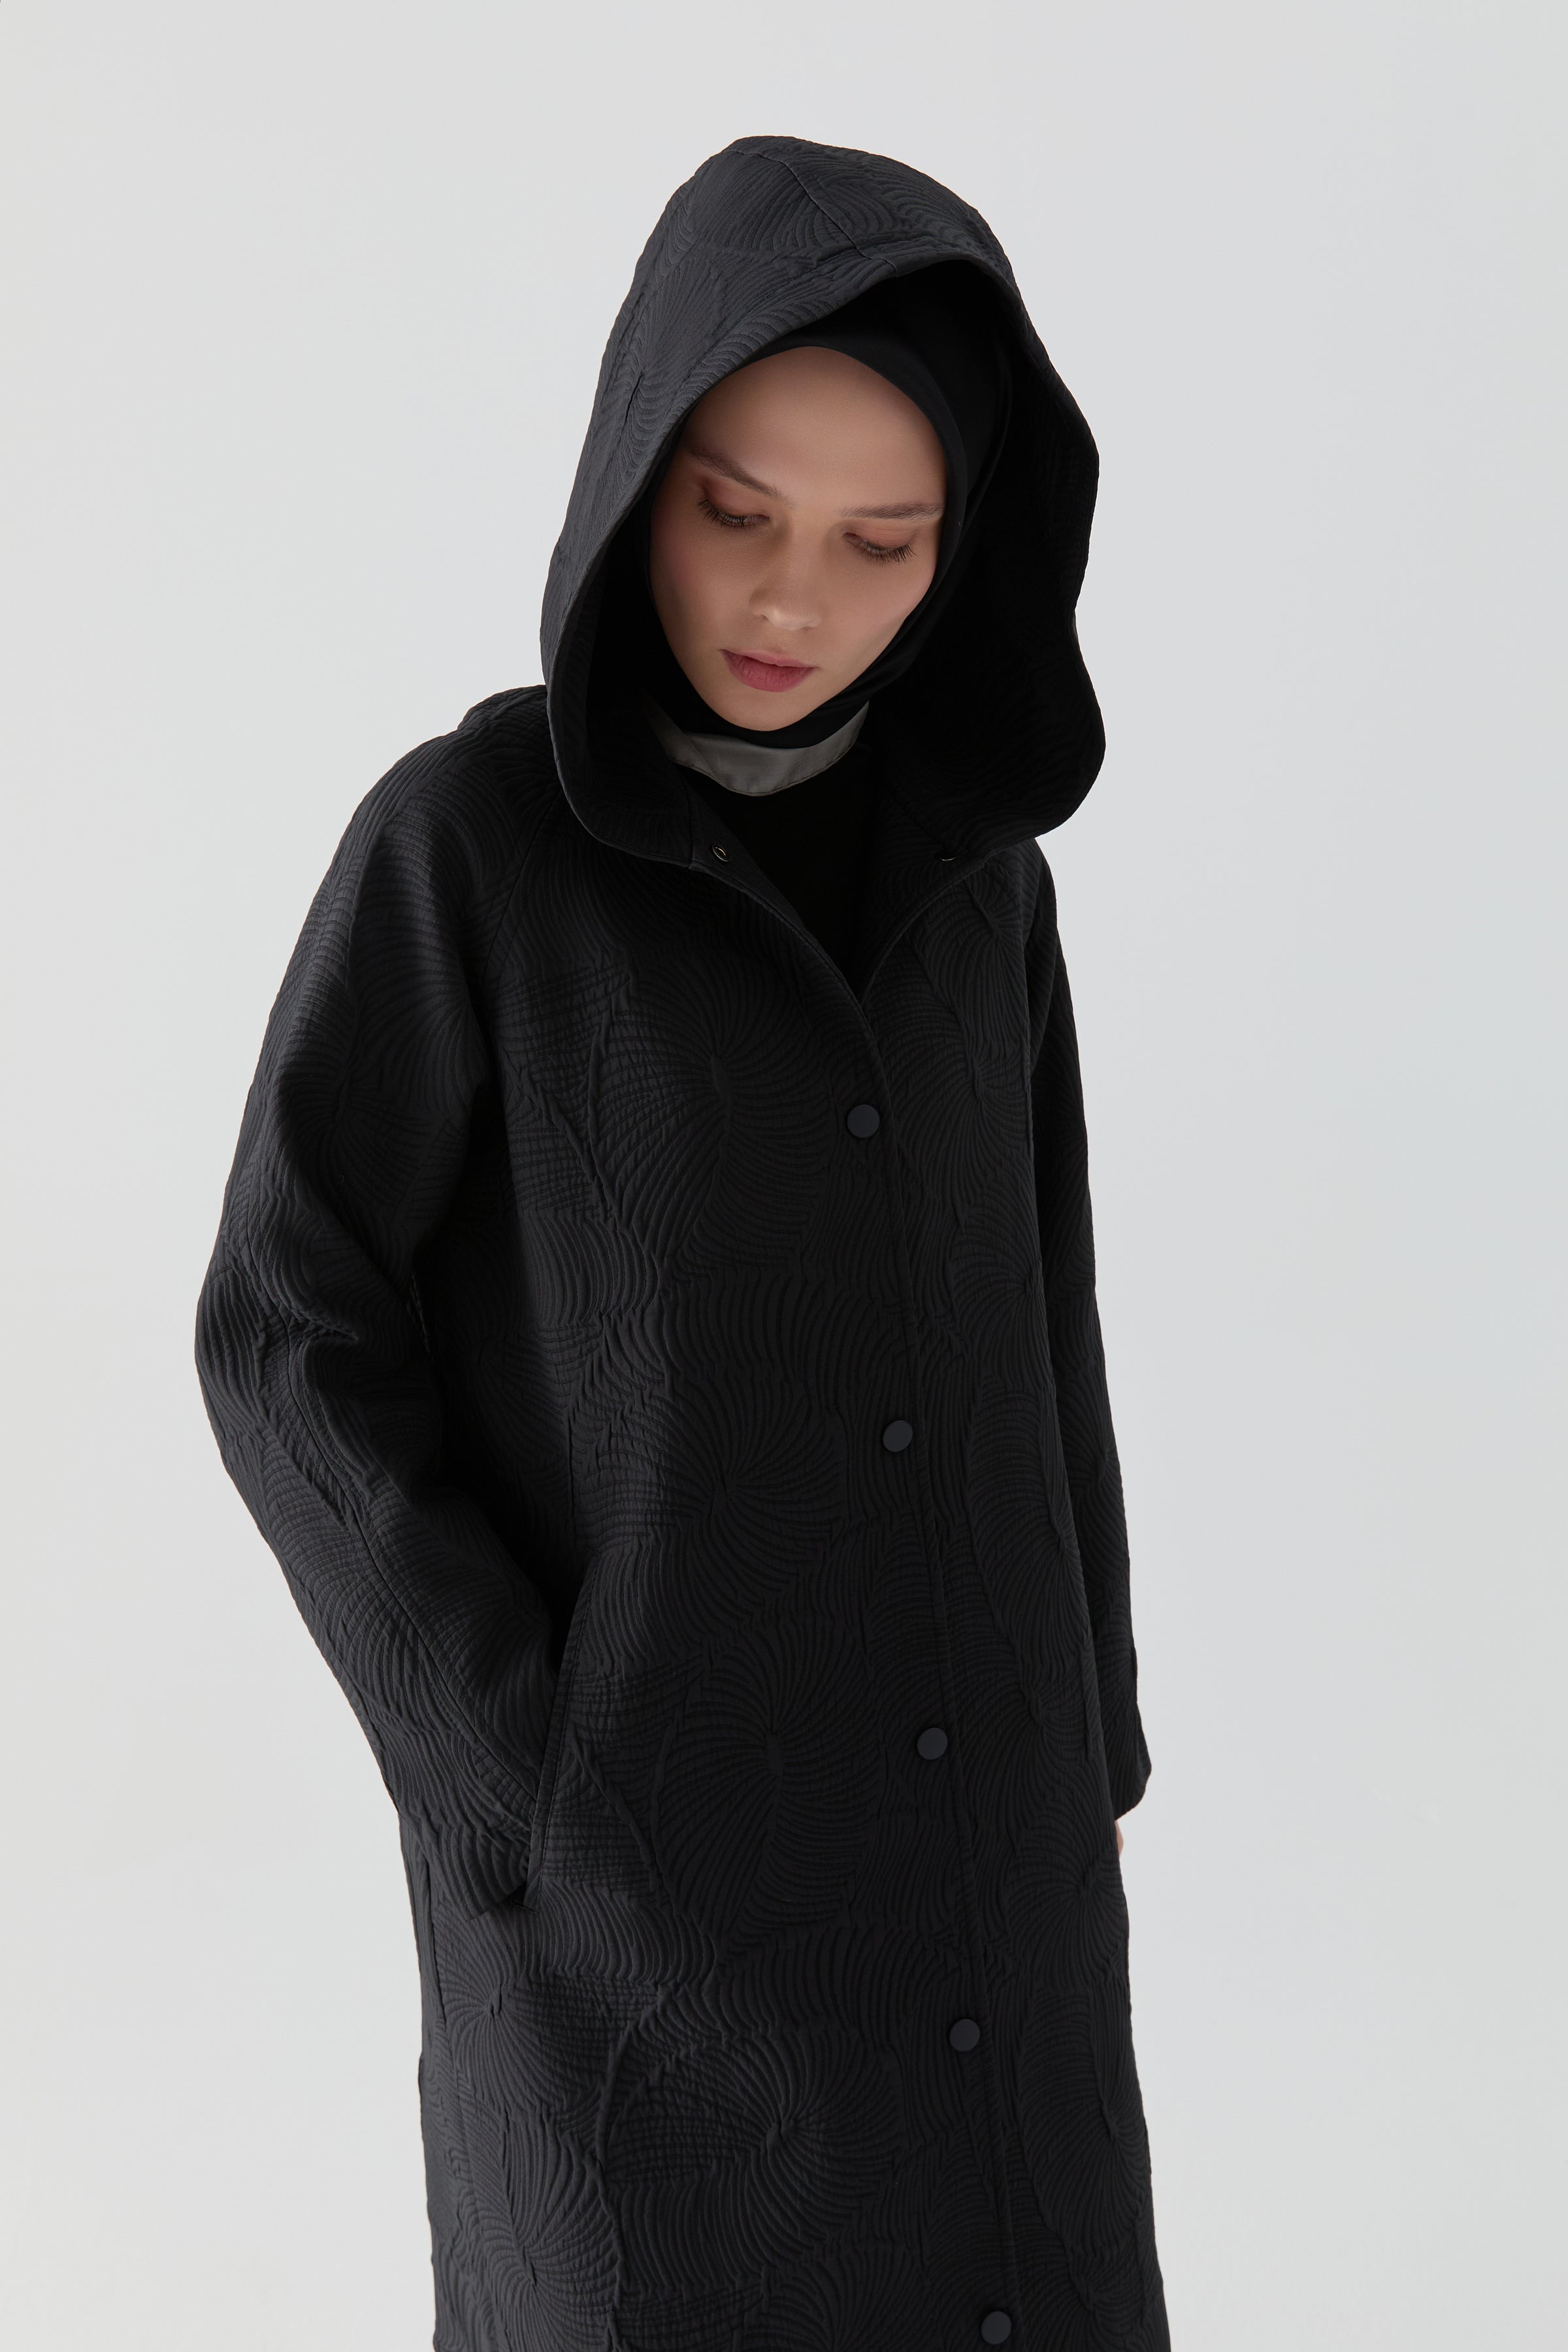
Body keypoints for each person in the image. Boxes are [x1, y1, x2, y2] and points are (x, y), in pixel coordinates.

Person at [196, 134, 1168, 2352]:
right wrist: (513, 1771)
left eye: (880, 543)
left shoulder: (985, 889)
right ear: (639, 464)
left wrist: (1089, 1742)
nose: (791, 598)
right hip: (641, 1910)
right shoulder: (466, 853)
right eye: (736, 509)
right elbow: (284, 1329)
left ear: (964, 556)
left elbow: (1046, 1311)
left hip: (986, 1857)